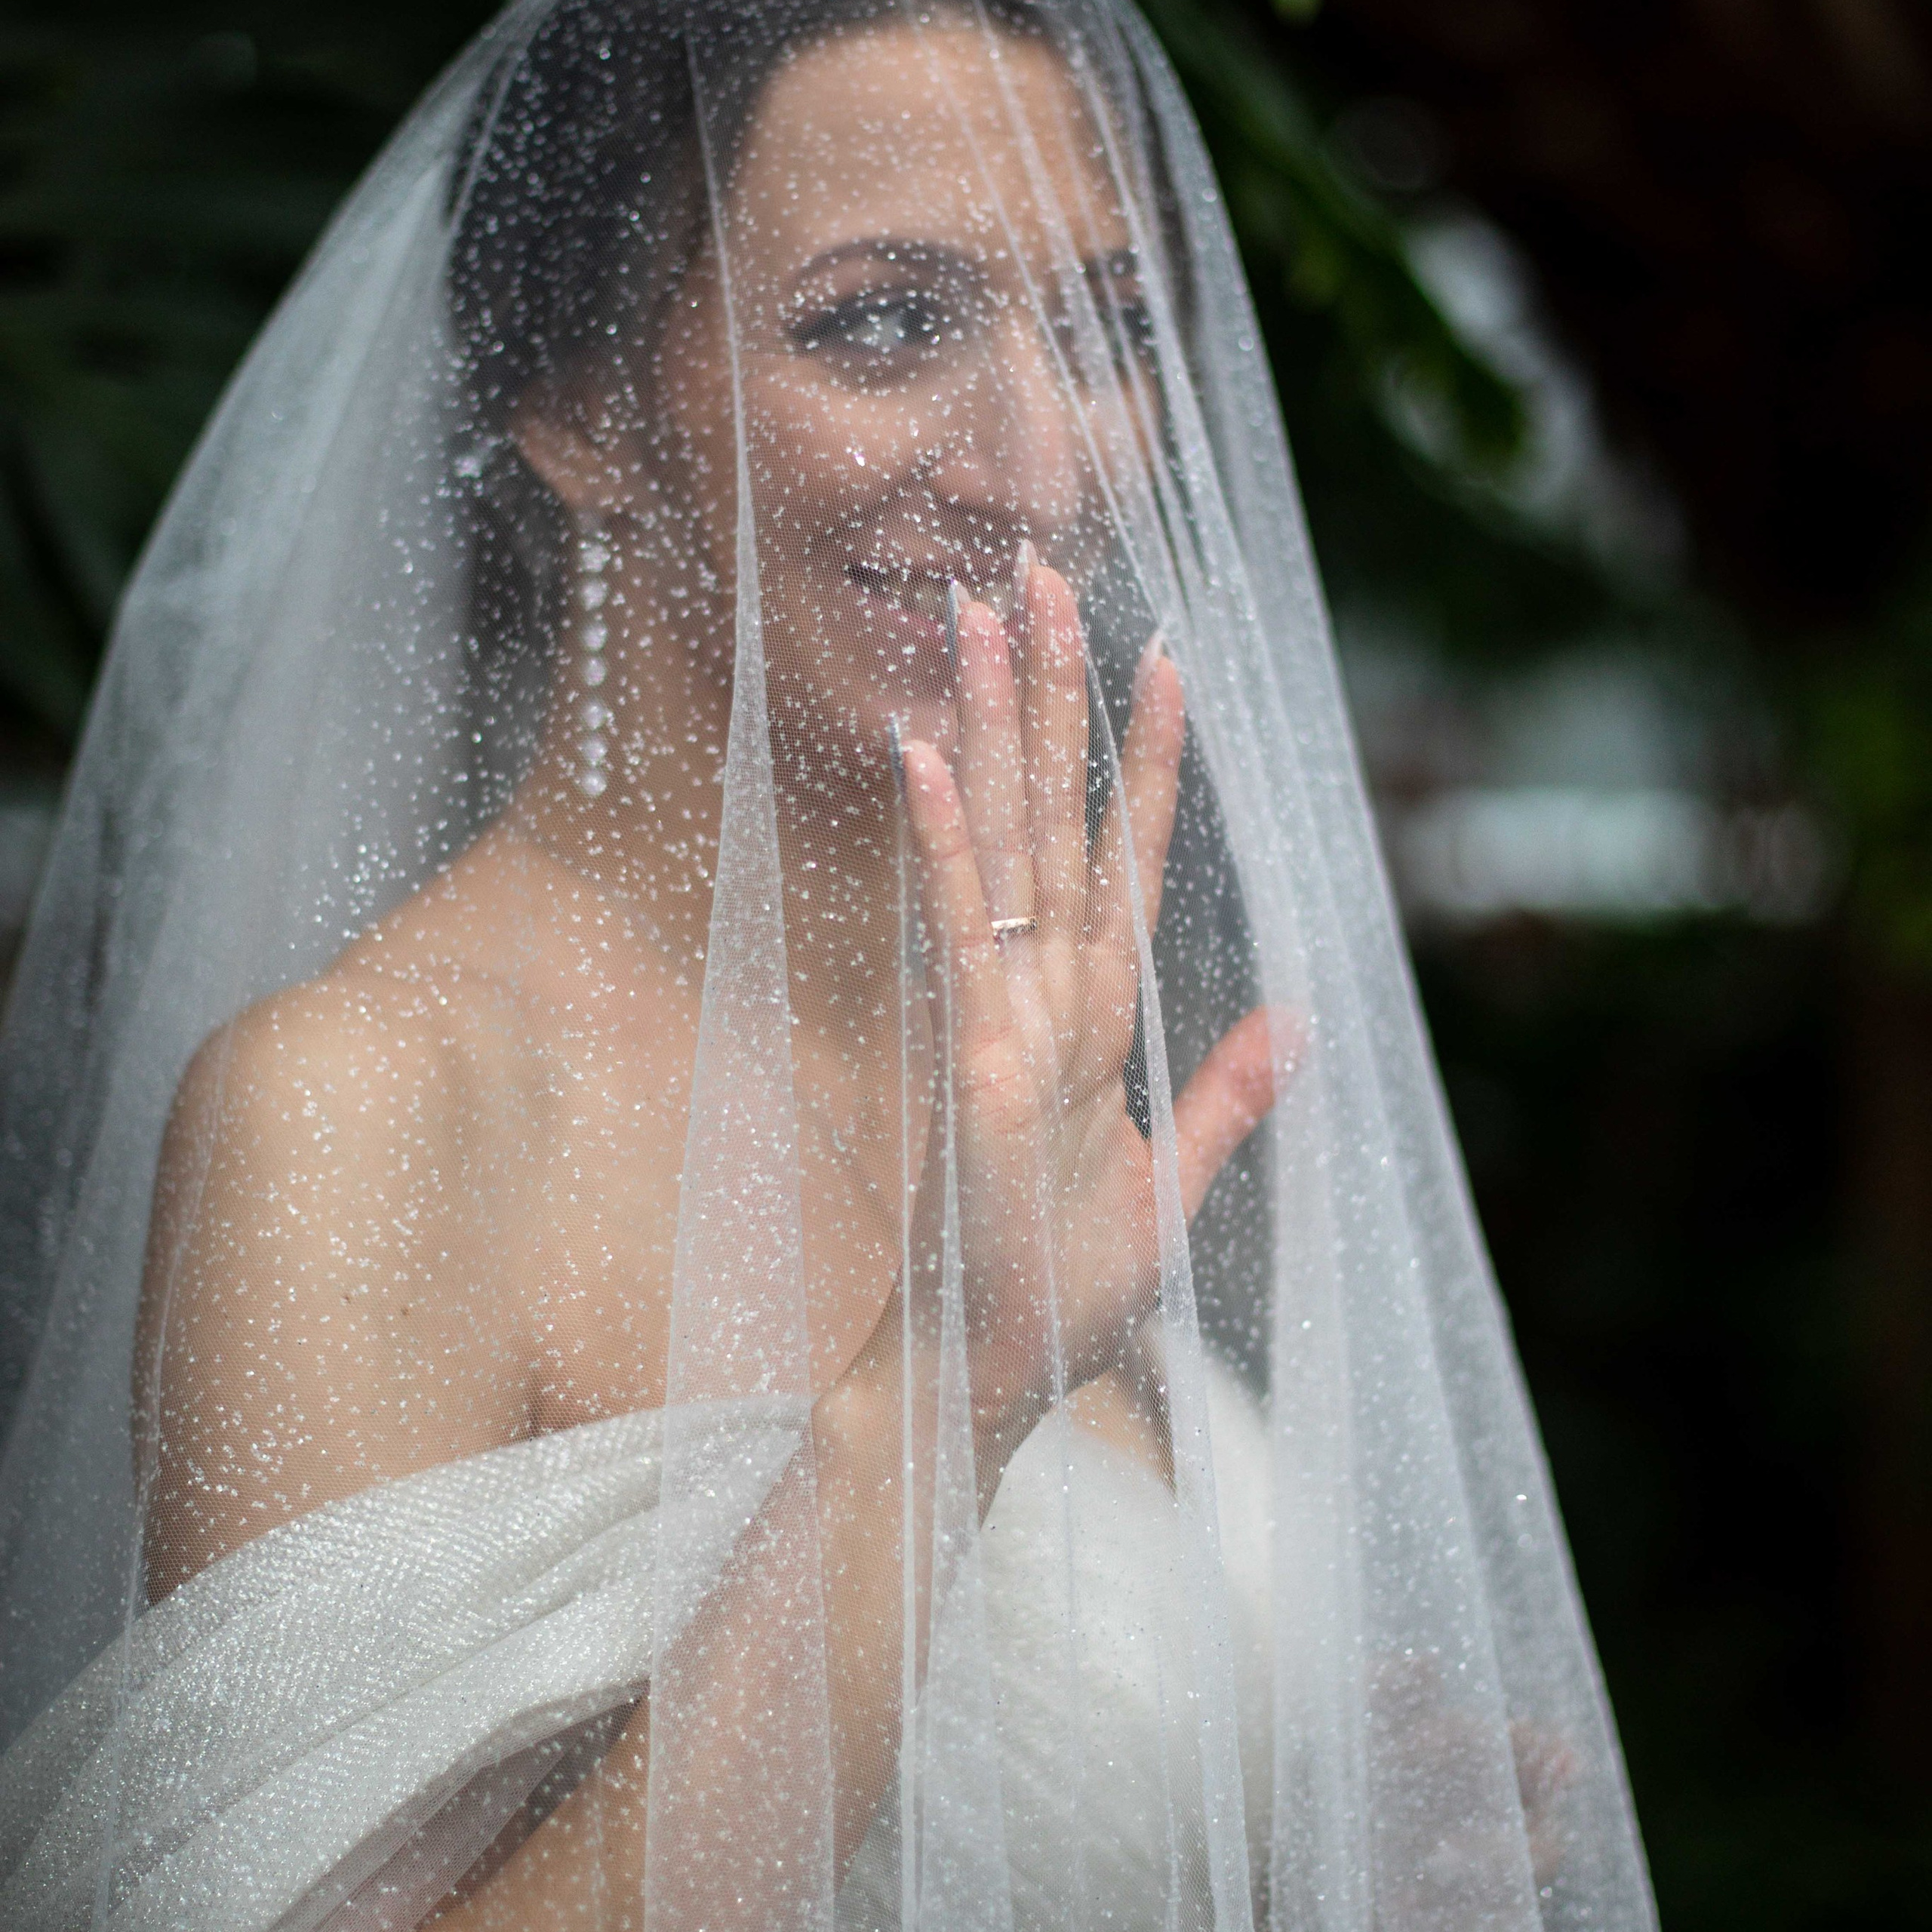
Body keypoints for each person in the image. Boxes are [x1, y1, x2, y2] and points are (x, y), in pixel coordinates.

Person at [0, 4, 1656, 1930]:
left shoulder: (1031, 1048)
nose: (1042, 466)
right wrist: (939, 1386)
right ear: (577, 411)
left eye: (1111, 333)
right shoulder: (367, 1105)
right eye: (882, 321)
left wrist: (1298, 1848)